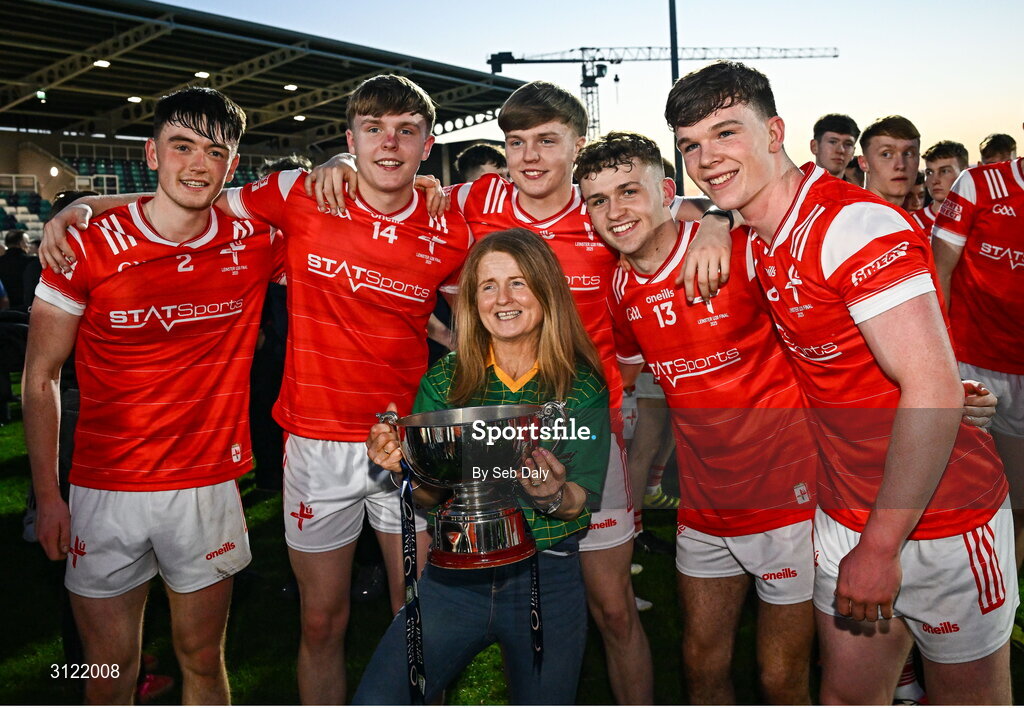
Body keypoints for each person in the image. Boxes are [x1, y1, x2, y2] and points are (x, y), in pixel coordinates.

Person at [39, 74, 470, 704]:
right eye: (373, 130)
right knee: (317, 622)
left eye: (406, 131)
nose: (389, 143)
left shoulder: (449, 222)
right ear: (349, 137)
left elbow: (481, 326)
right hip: (305, 444)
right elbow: (196, 200)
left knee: (422, 623)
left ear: (427, 145)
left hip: (405, 444)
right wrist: (85, 206)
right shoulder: (299, 196)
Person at [667, 60, 1015, 704]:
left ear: (774, 132)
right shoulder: (759, 231)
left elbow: (932, 391)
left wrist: (880, 547)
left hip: (940, 520)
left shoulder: (853, 224)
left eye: (726, 133)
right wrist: (715, 219)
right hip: (844, 509)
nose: (707, 156)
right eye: (691, 143)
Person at [25, 86, 281, 704]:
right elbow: (40, 378)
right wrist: (48, 498)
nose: (197, 163)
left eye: (214, 151)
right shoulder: (84, 245)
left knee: (201, 659)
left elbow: (339, 217)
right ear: (151, 153)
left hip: (207, 485)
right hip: (104, 488)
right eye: (181, 146)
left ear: (232, 162)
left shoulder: (255, 242)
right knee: (108, 672)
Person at [578, 130, 819, 704]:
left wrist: (718, 217)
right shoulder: (618, 287)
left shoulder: (739, 250)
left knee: (781, 678)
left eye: (629, 191)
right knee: (701, 666)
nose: (615, 211)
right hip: (706, 503)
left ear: (666, 191)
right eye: (598, 199)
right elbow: (640, 382)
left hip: (791, 496)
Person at [359, 228, 609, 704]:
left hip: (546, 578)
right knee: (380, 698)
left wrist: (551, 494)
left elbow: (579, 502)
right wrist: (401, 466)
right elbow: (430, 496)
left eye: (518, 282)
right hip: (453, 580)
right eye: (487, 286)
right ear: (472, 301)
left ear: (546, 290)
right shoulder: (446, 381)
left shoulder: (581, 387)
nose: (502, 299)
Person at [932, 143, 1024, 567]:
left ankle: (1008, 590)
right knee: (966, 487)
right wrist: (942, 360)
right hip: (972, 361)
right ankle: (958, 584)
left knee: (1020, 496)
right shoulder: (980, 183)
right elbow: (941, 271)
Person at [857, 115, 921, 207]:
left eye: (908, 154)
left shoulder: (908, 218)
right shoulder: (848, 217)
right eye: (886, 154)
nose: (901, 165)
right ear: (863, 163)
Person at [913, 141, 969, 234]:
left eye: (944, 171)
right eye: (929, 172)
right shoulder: (912, 224)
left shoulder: (981, 220)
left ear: (965, 173)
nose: (935, 180)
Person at [809, 114, 859, 179]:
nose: (841, 150)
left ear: (853, 152)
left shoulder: (857, 189)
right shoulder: (796, 187)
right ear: (814, 146)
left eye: (848, 144)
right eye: (833, 142)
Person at [0, 228, 32, 310]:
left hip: (3, 314)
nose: (29, 246)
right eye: (28, 243)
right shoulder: (33, 262)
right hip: (26, 312)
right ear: (21, 244)